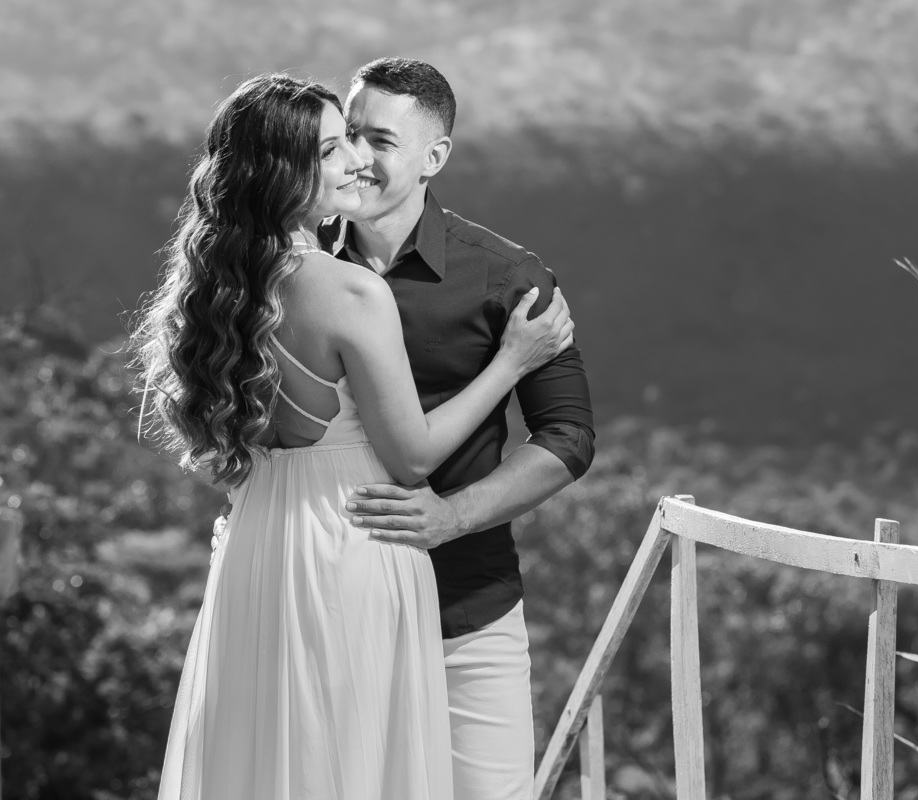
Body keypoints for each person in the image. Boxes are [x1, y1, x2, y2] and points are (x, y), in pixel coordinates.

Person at [135, 73, 575, 800]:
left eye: (365, 142)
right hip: (351, 540)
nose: (353, 164)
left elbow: (238, 444)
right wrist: (511, 362)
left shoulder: (231, 285)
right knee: (357, 765)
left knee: (274, 763)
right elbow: (414, 457)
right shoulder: (349, 291)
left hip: (261, 545)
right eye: (336, 148)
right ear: (288, 172)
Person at [321, 58, 595, 799]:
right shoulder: (295, 267)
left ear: (434, 157)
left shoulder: (509, 276)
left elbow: (567, 436)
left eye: (380, 140)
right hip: (328, 610)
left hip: (466, 612)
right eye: (347, 135)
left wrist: (452, 517)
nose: (354, 158)